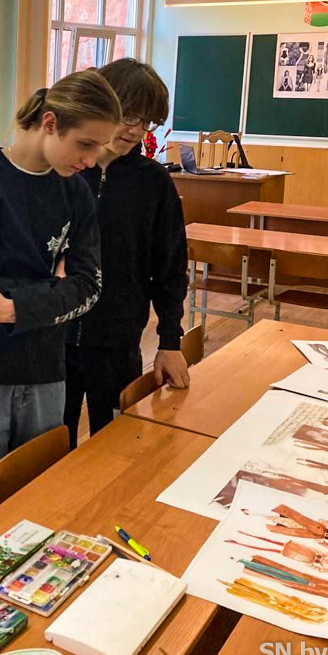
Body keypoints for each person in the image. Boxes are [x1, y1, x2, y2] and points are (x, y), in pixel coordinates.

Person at [0, 70, 122, 539]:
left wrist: (13, 305)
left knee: (36, 503)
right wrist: (50, 289)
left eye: (99, 148)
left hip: (44, 368)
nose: (91, 160)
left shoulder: (76, 191)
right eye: (85, 144)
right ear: (50, 123)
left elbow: (89, 287)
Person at [63, 59, 188, 448]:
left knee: (115, 449)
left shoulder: (154, 183)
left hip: (118, 341)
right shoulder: (64, 171)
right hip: (52, 341)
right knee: (50, 449)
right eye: (128, 116)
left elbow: (170, 268)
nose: (135, 129)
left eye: (146, 121)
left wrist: (170, 340)